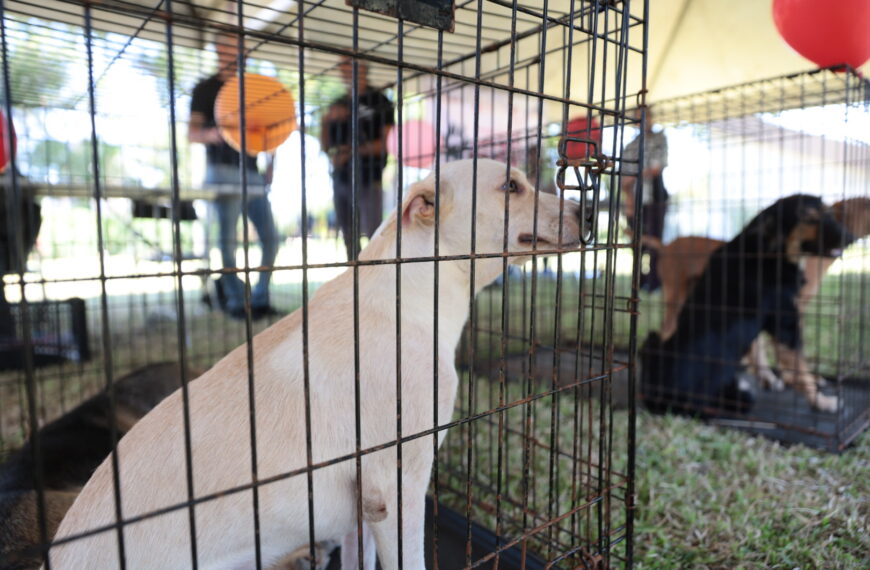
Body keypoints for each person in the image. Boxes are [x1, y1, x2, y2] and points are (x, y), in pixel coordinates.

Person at [188, 32, 281, 320]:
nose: (236, 53)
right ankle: (235, 301)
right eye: (229, 46)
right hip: (221, 172)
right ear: (218, 50)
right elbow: (192, 134)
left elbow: (272, 131)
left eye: (241, 48)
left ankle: (261, 297)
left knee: (271, 238)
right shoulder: (205, 88)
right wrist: (216, 133)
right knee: (226, 241)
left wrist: (270, 167)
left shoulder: (254, 88)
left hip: (252, 174)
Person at [320, 57, 394, 260]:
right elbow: (326, 147)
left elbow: (386, 143)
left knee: (375, 237)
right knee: (349, 241)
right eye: (342, 67)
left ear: (363, 67)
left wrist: (351, 151)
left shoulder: (380, 101)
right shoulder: (337, 103)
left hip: (370, 178)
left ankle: (379, 283)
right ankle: (356, 284)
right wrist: (325, 122)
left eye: (350, 65)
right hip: (341, 179)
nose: (345, 71)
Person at [622, 107, 669, 292]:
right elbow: (624, 180)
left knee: (655, 242)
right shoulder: (630, 146)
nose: (643, 120)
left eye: (646, 116)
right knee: (636, 244)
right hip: (635, 200)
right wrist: (629, 199)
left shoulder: (659, 139)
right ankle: (638, 281)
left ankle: (655, 281)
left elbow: (657, 168)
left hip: (655, 199)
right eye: (639, 117)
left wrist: (634, 176)